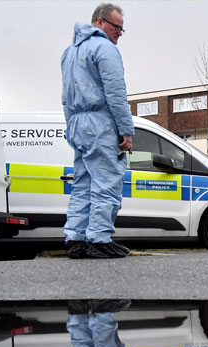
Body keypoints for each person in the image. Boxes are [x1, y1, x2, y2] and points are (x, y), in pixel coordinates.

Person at [61, 2, 133, 259]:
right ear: (100, 22)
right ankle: (99, 238)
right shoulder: (105, 49)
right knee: (106, 181)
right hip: (100, 123)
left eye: (122, 30)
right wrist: (126, 130)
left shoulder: (69, 53)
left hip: (79, 124)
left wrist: (72, 126)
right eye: (117, 27)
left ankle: (76, 239)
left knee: (83, 184)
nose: (119, 34)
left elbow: (66, 97)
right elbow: (115, 93)